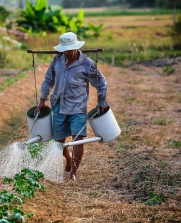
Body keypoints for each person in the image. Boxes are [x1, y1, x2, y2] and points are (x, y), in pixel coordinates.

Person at [37, 32, 108, 181]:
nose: (66, 53)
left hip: (78, 107)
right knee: (59, 141)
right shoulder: (57, 60)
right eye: (64, 50)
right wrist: (42, 99)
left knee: (78, 139)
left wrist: (102, 102)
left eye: (69, 50)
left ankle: (73, 172)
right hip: (59, 105)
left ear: (75, 48)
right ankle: (68, 159)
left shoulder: (86, 63)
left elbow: (101, 83)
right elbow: (48, 79)